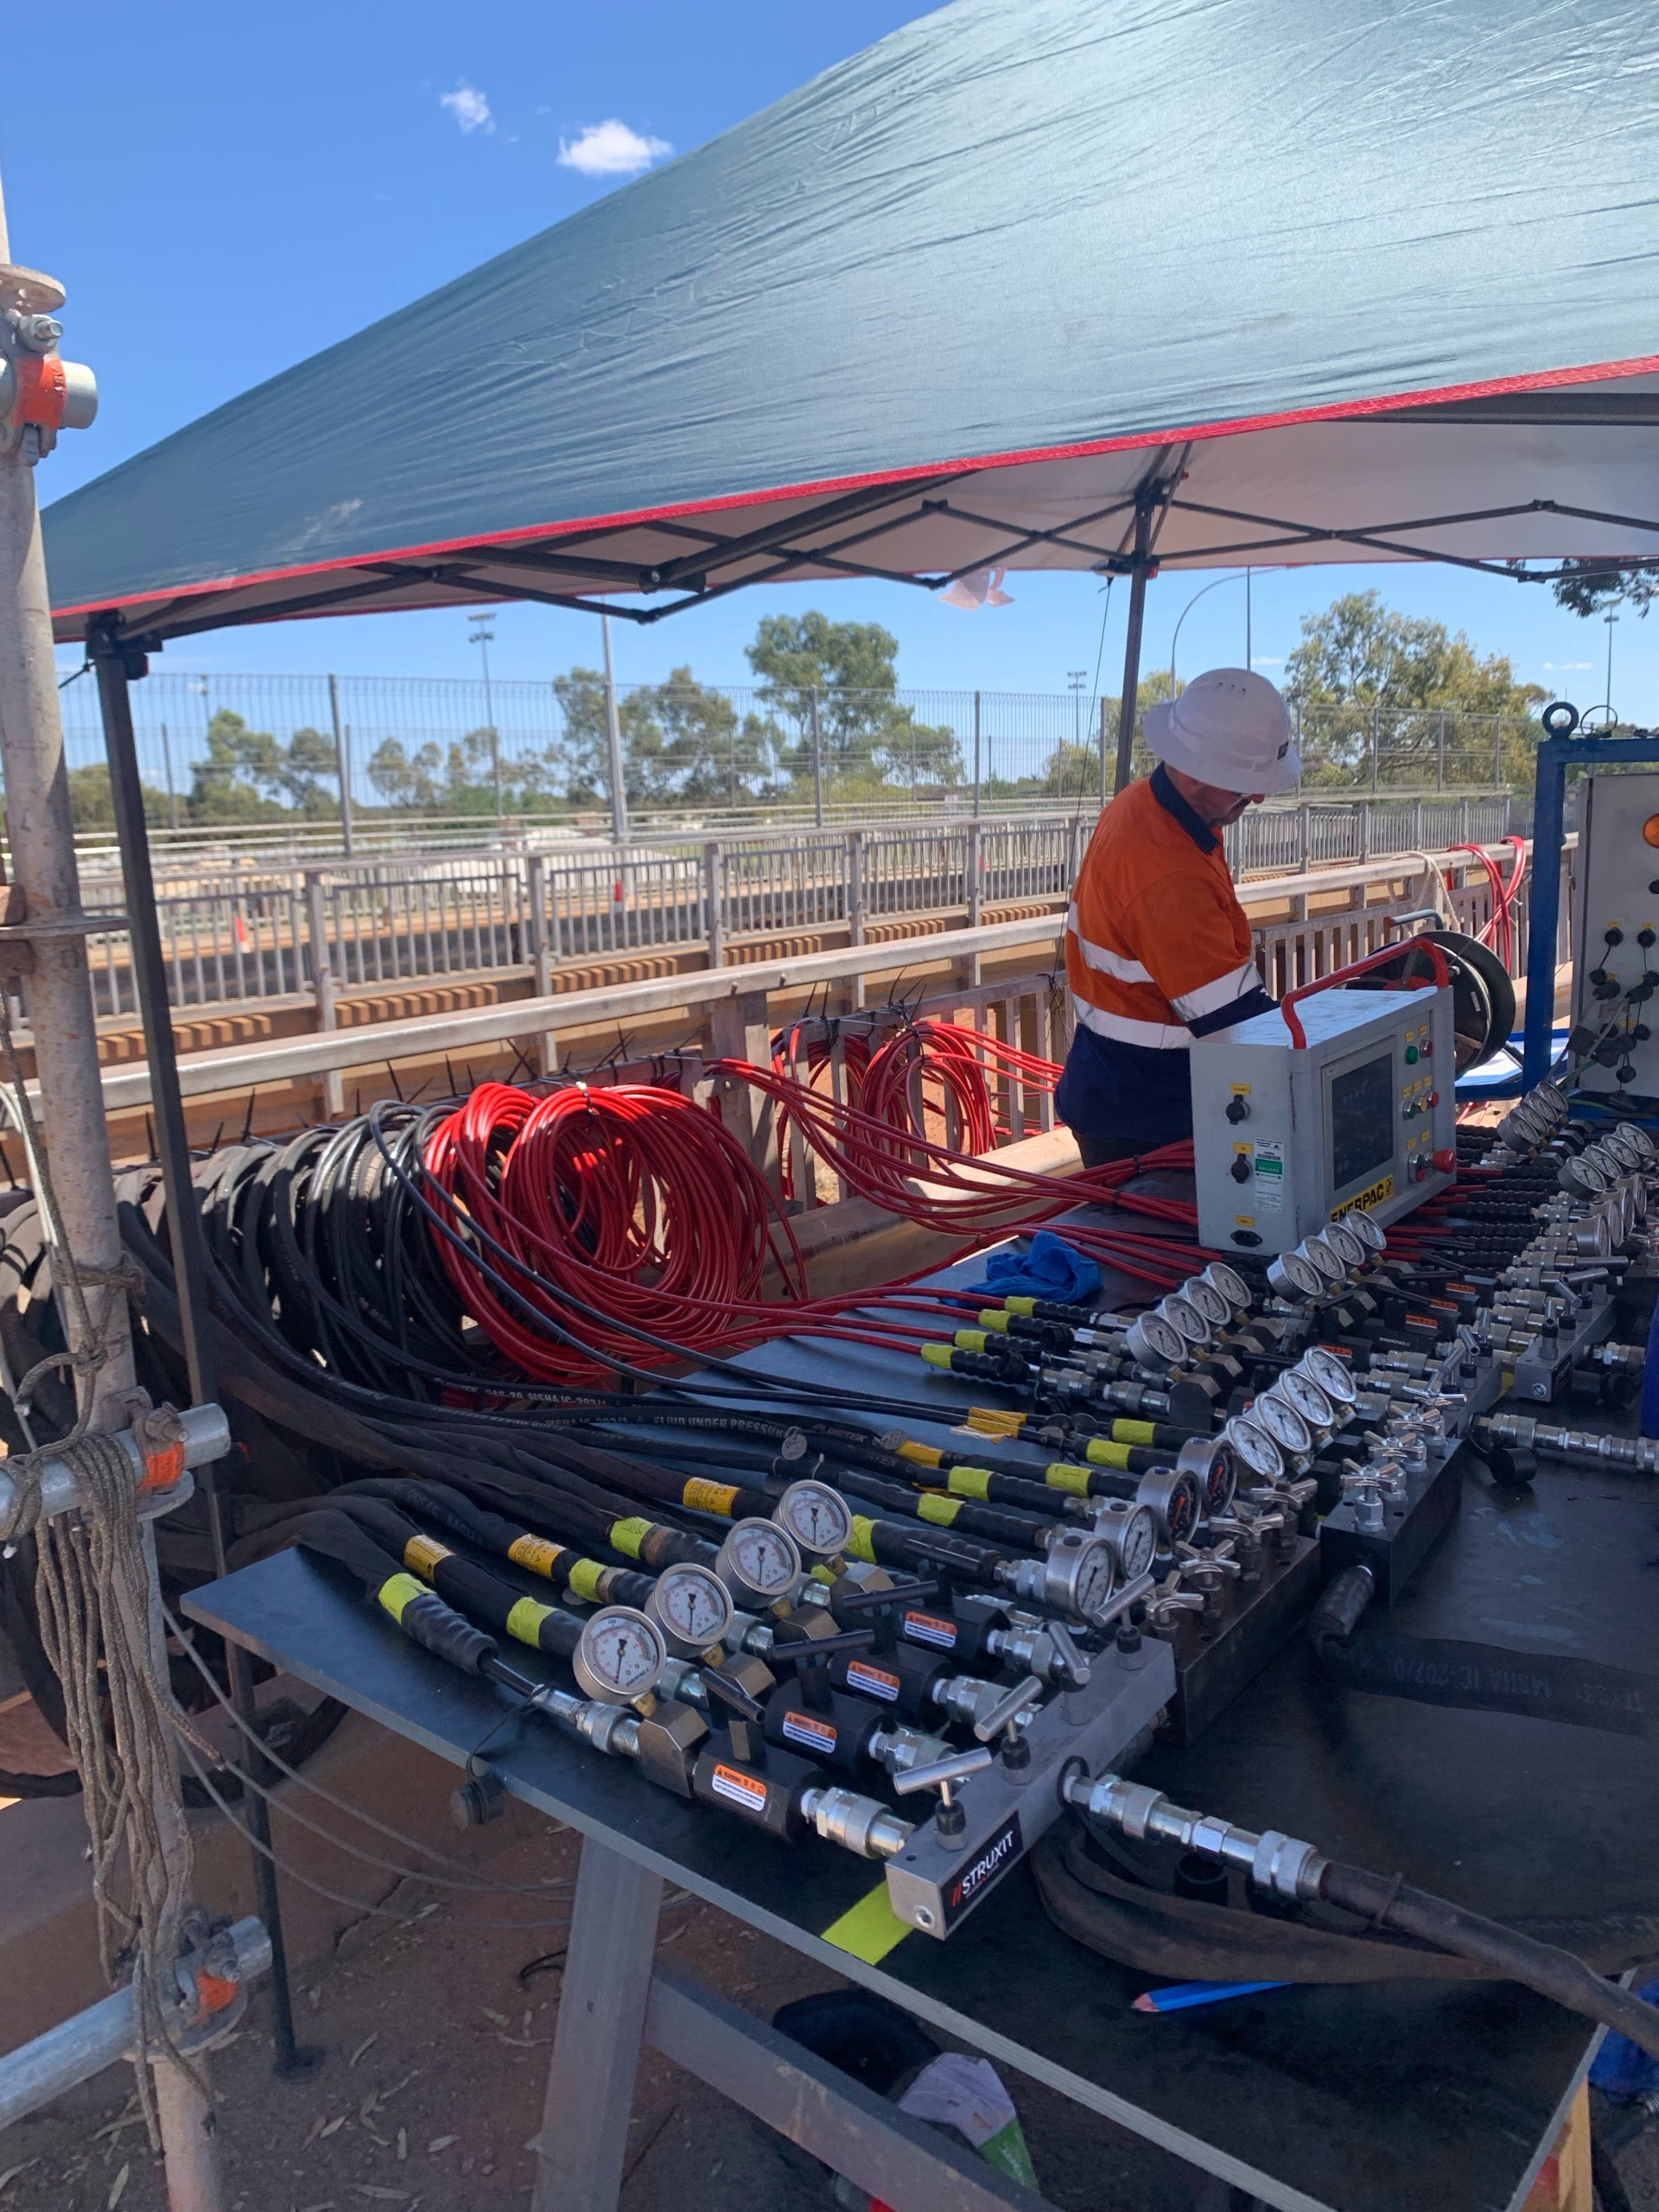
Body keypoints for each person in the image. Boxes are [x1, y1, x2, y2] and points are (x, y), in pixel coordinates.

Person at [1054, 668, 1300, 1167]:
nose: (1256, 798)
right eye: (1242, 786)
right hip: (1146, 1121)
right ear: (1193, 771)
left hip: (1127, 1090)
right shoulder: (1165, 870)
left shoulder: (1148, 806)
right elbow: (1236, 1023)